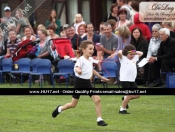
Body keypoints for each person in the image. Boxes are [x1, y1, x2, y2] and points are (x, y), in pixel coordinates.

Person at [52, 40, 109, 126]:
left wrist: (101, 77)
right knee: (73, 105)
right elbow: (77, 67)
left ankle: (99, 120)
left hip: (87, 83)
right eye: (90, 49)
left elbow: (92, 70)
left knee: (97, 99)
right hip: (79, 83)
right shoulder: (80, 60)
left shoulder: (90, 59)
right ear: (83, 49)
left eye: (93, 49)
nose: (92, 51)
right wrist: (78, 70)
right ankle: (60, 108)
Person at [117, 44, 143, 114]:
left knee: (137, 95)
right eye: (130, 54)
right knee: (128, 94)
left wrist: (134, 52)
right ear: (126, 53)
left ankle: (125, 98)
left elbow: (141, 53)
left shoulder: (135, 58)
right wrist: (126, 51)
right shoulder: (123, 58)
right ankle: (122, 109)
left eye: (133, 54)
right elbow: (119, 52)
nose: (132, 56)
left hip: (132, 80)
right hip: (124, 79)